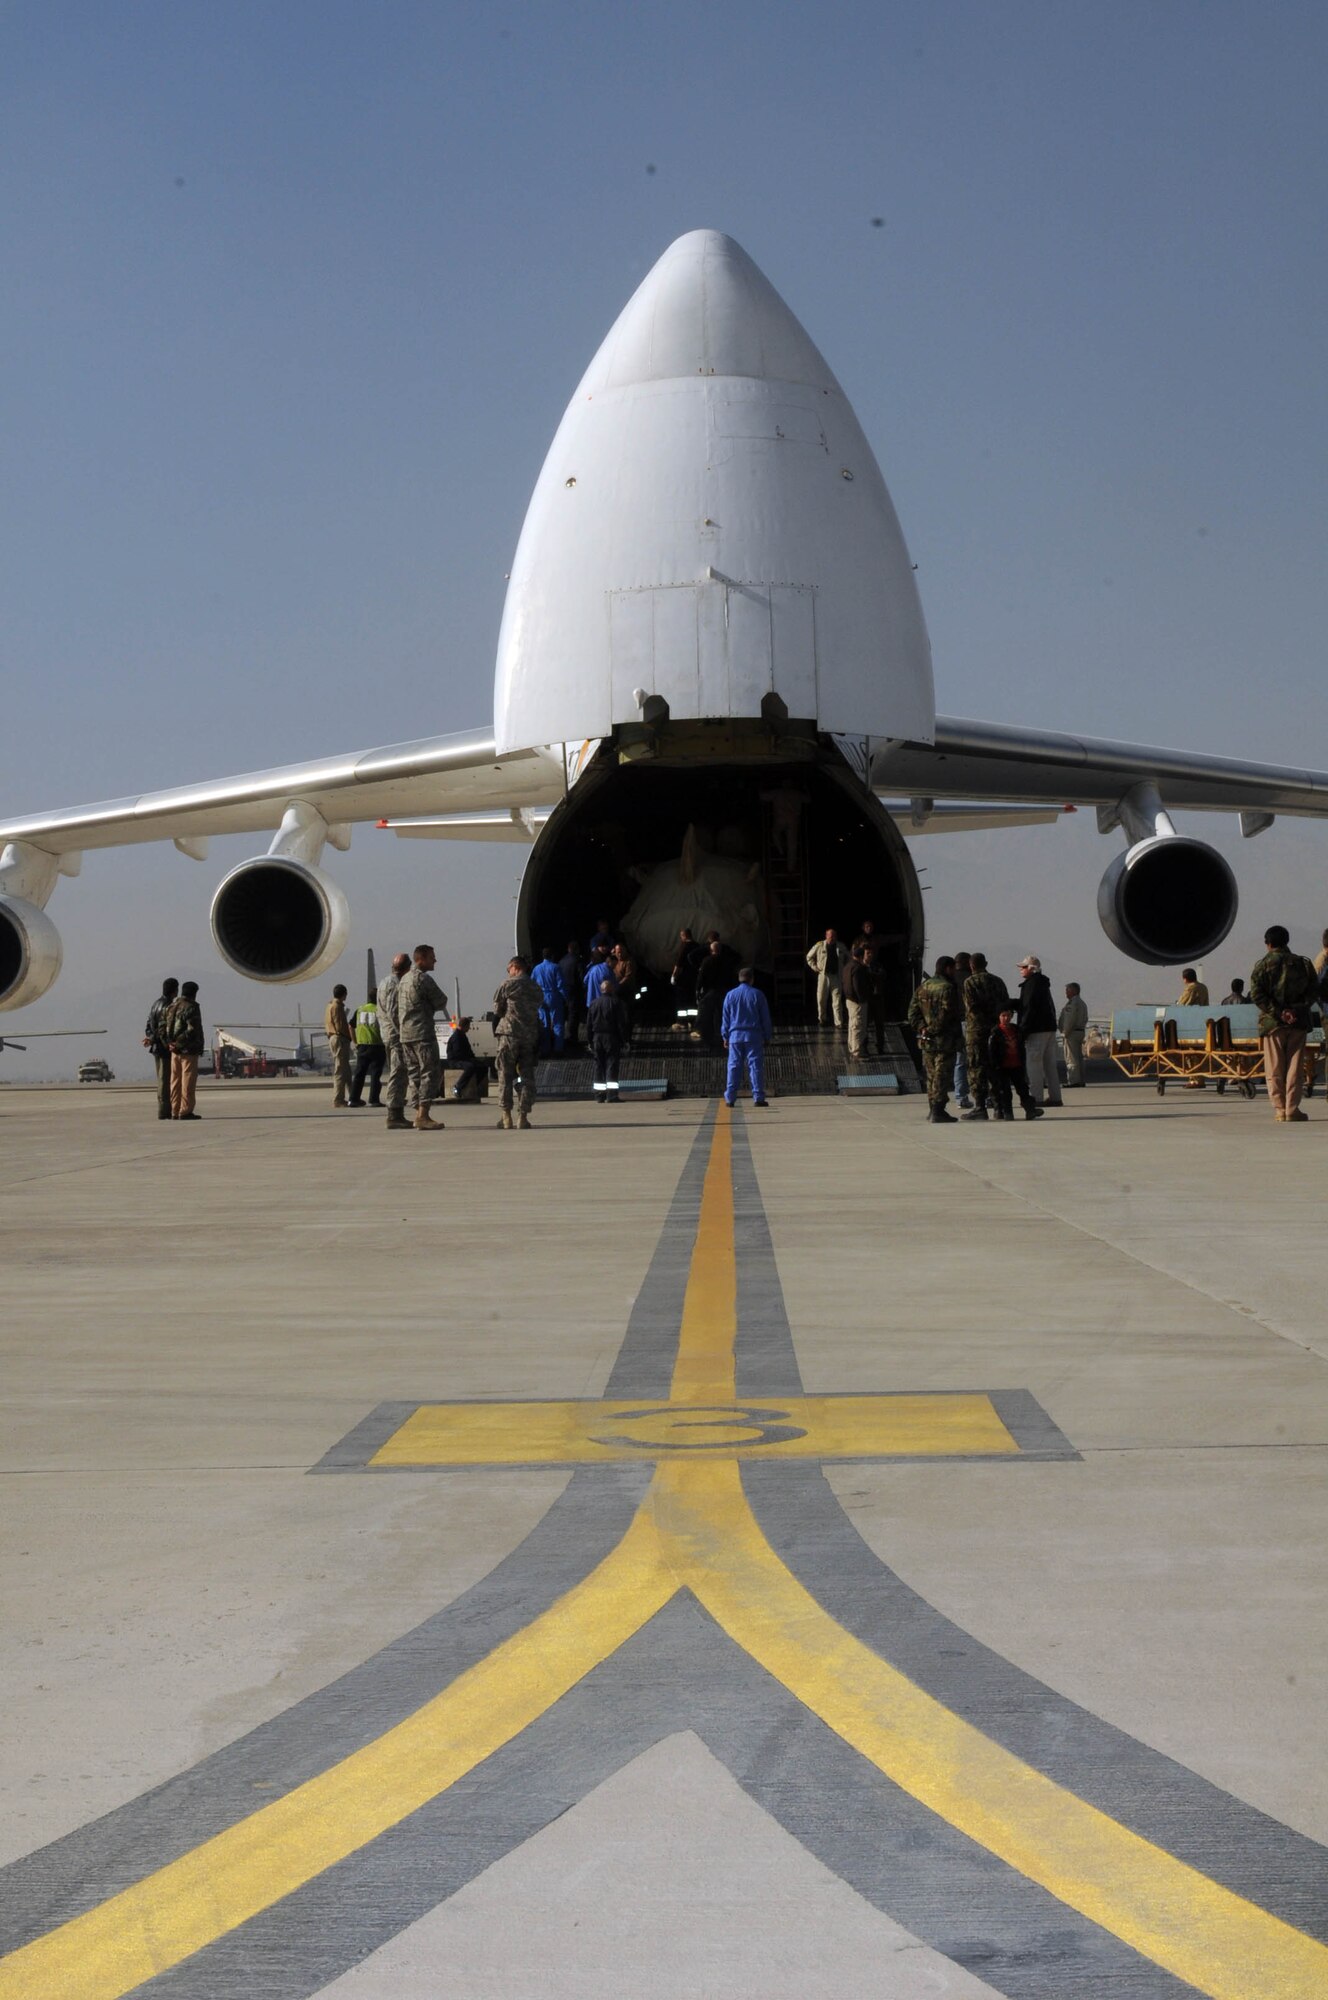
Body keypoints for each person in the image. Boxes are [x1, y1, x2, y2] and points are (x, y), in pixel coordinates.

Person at [1250, 925, 1319, 1123]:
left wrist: (1280, 1013)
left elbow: (1257, 994)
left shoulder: (1262, 965)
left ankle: (1280, 1109)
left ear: (1268, 943)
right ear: (1286, 941)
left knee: (1275, 1067)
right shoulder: (1303, 964)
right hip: (1297, 1023)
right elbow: (1313, 991)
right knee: (1295, 1068)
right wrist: (1295, 1011)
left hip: (1273, 1025)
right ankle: (1292, 1109)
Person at [398, 945, 449, 1131]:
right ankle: (423, 1114)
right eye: (431, 957)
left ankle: (417, 1112)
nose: (434, 961)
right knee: (429, 1072)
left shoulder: (403, 980)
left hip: (406, 1035)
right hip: (422, 1033)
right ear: (421, 959)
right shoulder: (422, 979)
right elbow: (441, 1000)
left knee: (414, 1073)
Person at [907, 957, 962, 1123]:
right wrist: (933, 1029)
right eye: (953, 968)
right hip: (945, 1040)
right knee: (942, 1075)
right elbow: (948, 1013)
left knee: (931, 1075)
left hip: (927, 1040)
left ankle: (933, 1109)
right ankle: (938, 1110)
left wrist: (923, 1028)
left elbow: (912, 1013)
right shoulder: (948, 988)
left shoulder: (923, 987)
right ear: (947, 968)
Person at [492, 954, 543, 1129]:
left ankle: (506, 1116)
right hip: (528, 1036)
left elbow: (498, 1009)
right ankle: (523, 1116)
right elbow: (537, 1008)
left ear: (515, 967)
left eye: (509, 970)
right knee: (527, 1076)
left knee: (504, 1075)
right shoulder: (536, 987)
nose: (508, 973)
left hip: (509, 1034)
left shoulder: (507, 985)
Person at [961, 952, 1010, 1120]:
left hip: (977, 1031)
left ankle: (980, 1106)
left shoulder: (969, 982)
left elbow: (971, 1007)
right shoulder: (998, 981)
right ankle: (999, 1107)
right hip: (996, 1031)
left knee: (976, 1069)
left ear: (971, 966)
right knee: (995, 1068)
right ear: (986, 963)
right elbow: (1006, 1005)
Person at [1014, 956, 1063, 1107]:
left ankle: (1036, 1098)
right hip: (1048, 1029)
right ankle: (1055, 1097)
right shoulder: (1043, 984)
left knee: (1033, 1065)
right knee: (1050, 1065)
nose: (1020, 970)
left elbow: (1029, 1008)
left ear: (1031, 968)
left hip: (1036, 1030)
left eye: (1023, 967)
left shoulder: (1031, 984)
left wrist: (1023, 1029)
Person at [721, 967, 773, 1107]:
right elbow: (765, 1018)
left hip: (735, 1037)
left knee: (733, 1066)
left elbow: (725, 1018)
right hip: (753, 1036)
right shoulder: (758, 995)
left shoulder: (730, 995)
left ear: (739, 978)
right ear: (752, 979)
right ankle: (758, 1097)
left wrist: (725, 1036)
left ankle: (730, 1098)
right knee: (755, 1067)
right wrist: (767, 1036)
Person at [377, 952, 413, 1131]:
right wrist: (403, 1033)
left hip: (389, 1035)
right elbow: (393, 1012)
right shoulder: (394, 985)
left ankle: (396, 1112)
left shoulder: (384, 982)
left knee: (399, 1073)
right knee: (398, 1074)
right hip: (396, 1037)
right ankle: (394, 1114)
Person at [988, 1008, 1042, 1121]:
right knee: (1005, 1091)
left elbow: (1021, 1044)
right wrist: (995, 1066)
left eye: (1008, 1015)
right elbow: (991, 1051)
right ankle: (1007, 1113)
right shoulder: (995, 1032)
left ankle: (1030, 1110)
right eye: (1003, 1015)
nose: (1006, 1018)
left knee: (1023, 1089)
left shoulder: (1017, 1030)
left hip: (1016, 1065)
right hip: (1002, 1067)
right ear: (999, 1017)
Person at [165, 980, 205, 1121]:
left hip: (174, 1051)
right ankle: (185, 1110)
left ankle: (175, 1110)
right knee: (187, 1080)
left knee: (174, 1080)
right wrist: (179, 1043)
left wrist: (170, 1043)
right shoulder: (191, 1007)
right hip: (188, 1050)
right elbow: (192, 1030)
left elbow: (166, 1027)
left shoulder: (172, 1005)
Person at [587, 975, 631, 1103]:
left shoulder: (593, 1004)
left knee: (598, 1066)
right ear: (611, 990)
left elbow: (589, 1024)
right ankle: (611, 1095)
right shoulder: (616, 1003)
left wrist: (590, 1041)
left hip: (597, 1038)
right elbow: (621, 1024)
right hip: (611, 1037)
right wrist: (625, 1040)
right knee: (612, 1065)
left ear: (601, 990)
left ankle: (599, 1095)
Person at [143, 976, 179, 1121]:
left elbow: (149, 1026)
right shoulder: (168, 1006)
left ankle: (164, 1109)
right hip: (164, 1049)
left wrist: (150, 1038)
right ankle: (164, 1111)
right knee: (165, 1081)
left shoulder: (155, 1004)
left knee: (162, 1080)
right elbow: (164, 1029)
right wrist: (167, 1042)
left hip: (156, 1047)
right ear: (174, 990)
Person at [696, 936, 736, 1051]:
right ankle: (722, 1037)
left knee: (708, 1015)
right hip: (724, 991)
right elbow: (732, 976)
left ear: (711, 950)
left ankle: (709, 1040)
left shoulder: (707, 961)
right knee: (723, 1015)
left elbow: (701, 977)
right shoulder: (727, 961)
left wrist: (698, 990)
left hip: (710, 991)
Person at [347, 988, 385, 1108]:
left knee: (359, 1073)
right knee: (375, 1074)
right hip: (377, 1045)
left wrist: (355, 1042)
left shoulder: (360, 1010)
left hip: (362, 1046)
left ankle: (353, 1099)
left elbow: (351, 1026)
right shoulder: (380, 1010)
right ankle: (374, 1100)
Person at [806, 928, 848, 1029]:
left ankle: (838, 1022)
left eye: (833, 936)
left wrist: (844, 970)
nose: (832, 938)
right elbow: (809, 957)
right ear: (826, 936)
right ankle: (822, 1019)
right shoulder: (819, 945)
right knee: (821, 998)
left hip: (836, 976)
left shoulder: (841, 946)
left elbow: (849, 957)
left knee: (837, 1000)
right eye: (830, 936)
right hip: (823, 976)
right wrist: (815, 967)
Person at [531, 947, 568, 1055]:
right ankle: (558, 1048)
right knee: (557, 1023)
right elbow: (560, 984)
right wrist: (565, 998)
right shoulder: (556, 967)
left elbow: (532, 983)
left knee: (544, 1023)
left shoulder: (536, 968)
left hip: (540, 996)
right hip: (553, 996)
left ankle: (545, 1048)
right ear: (552, 956)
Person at [951, 951, 975, 1107]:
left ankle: (960, 1097)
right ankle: (983, 1097)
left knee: (959, 1062)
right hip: (971, 1022)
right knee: (977, 1060)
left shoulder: (950, 979)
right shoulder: (971, 979)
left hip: (955, 1023)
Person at [446, 1017, 488, 1100]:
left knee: (483, 1067)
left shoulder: (463, 1035)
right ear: (464, 1026)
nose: (469, 1029)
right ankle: (458, 1087)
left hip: (464, 1059)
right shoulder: (456, 1037)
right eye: (468, 1026)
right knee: (470, 1067)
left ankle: (474, 1085)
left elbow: (468, 1051)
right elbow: (457, 1053)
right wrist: (470, 1059)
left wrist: (474, 1059)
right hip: (455, 1061)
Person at [324, 984, 352, 1108]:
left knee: (345, 1070)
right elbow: (340, 1026)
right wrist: (349, 1038)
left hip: (333, 1037)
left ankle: (353, 1096)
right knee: (340, 1070)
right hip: (339, 1038)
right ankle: (338, 1099)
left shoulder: (329, 1005)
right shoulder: (337, 1007)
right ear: (343, 994)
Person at [842, 945, 873, 1058]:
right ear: (860, 956)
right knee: (858, 1026)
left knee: (852, 1025)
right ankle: (857, 1050)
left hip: (849, 999)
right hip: (857, 1002)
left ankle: (852, 1047)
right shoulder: (858, 968)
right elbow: (857, 985)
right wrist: (862, 998)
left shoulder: (847, 966)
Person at [1058, 982, 1089, 1088]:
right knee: (1079, 1057)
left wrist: (1065, 1032)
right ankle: (1081, 1079)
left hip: (1072, 1033)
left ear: (1074, 991)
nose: (1066, 993)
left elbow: (1069, 1020)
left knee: (1071, 1057)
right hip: (1080, 1031)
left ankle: (1073, 1080)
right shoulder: (1082, 1003)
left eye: (1068, 990)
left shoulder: (1073, 1003)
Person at [862, 943, 889, 1057]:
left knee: (879, 1024)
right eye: (868, 953)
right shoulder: (860, 965)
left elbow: (882, 975)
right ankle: (864, 1047)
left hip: (877, 998)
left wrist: (871, 974)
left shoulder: (876, 965)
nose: (870, 955)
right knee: (865, 1024)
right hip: (865, 998)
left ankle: (880, 1046)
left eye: (871, 953)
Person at [559, 939, 586, 1049]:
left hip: (564, 991)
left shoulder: (562, 961)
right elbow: (582, 978)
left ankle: (564, 1038)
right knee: (573, 1015)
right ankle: (573, 1039)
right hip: (574, 991)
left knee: (566, 1015)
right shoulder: (578, 961)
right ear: (577, 949)